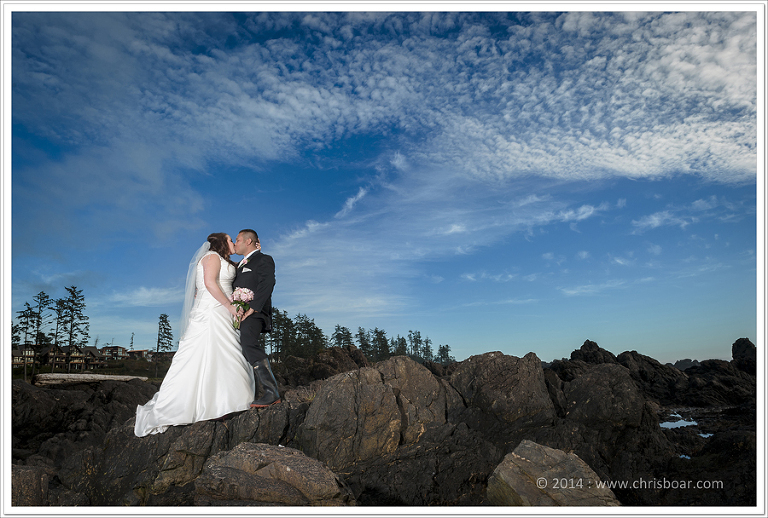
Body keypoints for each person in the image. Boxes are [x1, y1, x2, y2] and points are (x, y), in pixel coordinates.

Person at [134, 233, 257, 437]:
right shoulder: (211, 257)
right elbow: (209, 283)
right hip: (213, 310)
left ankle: (223, 401)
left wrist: (254, 252)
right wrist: (229, 305)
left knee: (223, 353)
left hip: (221, 310)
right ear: (221, 243)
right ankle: (196, 404)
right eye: (229, 239)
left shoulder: (226, 260)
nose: (233, 243)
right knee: (204, 353)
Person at [232, 228, 280, 408]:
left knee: (248, 341)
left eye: (237, 240)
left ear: (248, 241)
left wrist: (253, 308)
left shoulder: (264, 259)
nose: (235, 243)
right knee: (239, 347)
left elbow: (268, 283)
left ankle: (271, 391)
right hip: (239, 313)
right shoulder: (239, 265)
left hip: (256, 312)